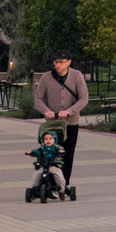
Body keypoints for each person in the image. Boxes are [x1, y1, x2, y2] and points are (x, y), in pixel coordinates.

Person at [33, 52, 90, 184]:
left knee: (67, 154)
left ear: (68, 62)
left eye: (61, 62)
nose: (58, 65)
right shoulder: (46, 77)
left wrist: (69, 111)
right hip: (53, 124)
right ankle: (50, 181)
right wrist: (46, 111)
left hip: (70, 123)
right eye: (56, 62)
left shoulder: (76, 76)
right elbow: (38, 99)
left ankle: (65, 182)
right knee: (50, 153)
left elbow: (84, 98)